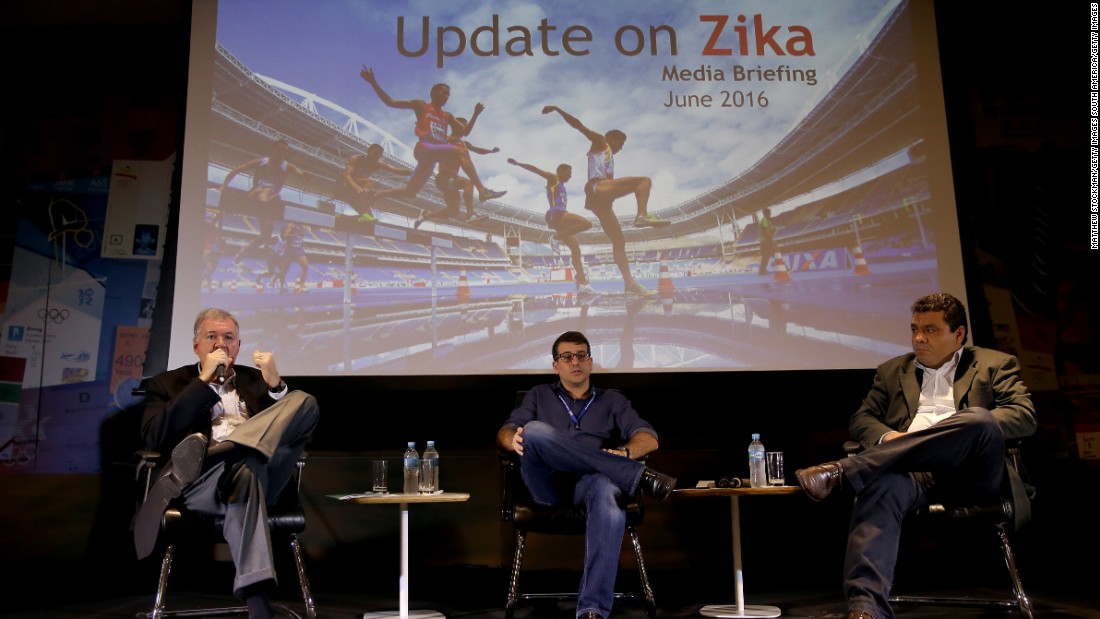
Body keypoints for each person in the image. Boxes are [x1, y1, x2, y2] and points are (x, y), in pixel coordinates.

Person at [792, 292, 1036, 619]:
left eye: (931, 330)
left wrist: (958, 428)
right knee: (881, 487)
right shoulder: (893, 371)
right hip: (914, 474)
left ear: (959, 334)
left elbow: (1023, 416)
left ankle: (844, 471)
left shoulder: (994, 364)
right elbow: (862, 419)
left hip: (973, 473)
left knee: (978, 419)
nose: (919, 338)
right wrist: (889, 437)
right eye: (915, 329)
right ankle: (866, 610)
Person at [134, 308, 320, 619]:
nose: (221, 344)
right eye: (212, 337)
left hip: (265, 477)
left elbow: (293, 436)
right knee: (248, 469)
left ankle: (225, 449)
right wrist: (204, 380)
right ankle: (258, 605)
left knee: (303, 401)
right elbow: (153, 438)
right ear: (197, 346)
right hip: (201, 483)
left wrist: (276, 389)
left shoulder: (256, 381)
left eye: (229, 338)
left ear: (238, 345)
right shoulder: (167, 383)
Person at [497, 331, 677, 619]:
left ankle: (592, 609)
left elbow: (649, 437)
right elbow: (508, 430)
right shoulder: (539, 395)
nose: (575, 362)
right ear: (556, 365)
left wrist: (629, 452)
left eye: (581, 355)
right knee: (533, 431)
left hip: (591, 485)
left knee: (607, 492)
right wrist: (510, 440)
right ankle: (638, 476)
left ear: (591, 362)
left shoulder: (612, 401)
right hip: (548, 483)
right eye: (566, 357)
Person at [541, 105, 668, 295]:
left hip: (602, 201)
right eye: (621, 143)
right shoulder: (601, 142)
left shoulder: (607, 153)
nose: (621, 148)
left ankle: (629, 284)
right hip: (596, 188)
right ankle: (642, 215)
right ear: (612, 138)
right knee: (644, 182)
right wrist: (558, 110)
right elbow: (579, 126)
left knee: (618, 240)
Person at [358, 67, 506, 209]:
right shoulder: (421, 106)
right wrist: (373, 82)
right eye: (444, 93)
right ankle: (482, 190)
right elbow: (390, 102)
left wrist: (475, 114)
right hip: (424, 148)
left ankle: (377, 194)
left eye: (449, 94)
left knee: (410, 192)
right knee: (461, 152)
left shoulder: (447, 116)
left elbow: (465, 132)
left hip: (434, 157)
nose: (447, 96)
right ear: (433, 93)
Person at [507, 156, 596, 294]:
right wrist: (518, 163)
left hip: (561, 220)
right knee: (587, 223)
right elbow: (535, 170)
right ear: (561, 171)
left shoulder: (562, 186)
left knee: (576, 250)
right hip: (556, 215)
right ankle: (556, 237)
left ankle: (582, 282)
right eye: (569, 173)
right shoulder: (553, 179)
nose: (571, 176)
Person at [219, 138, 307, 264]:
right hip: (254, 195)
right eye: (280, 150)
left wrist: (303, 174)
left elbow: (299, 171)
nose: (282, 153)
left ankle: (244, 250)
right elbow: (238, 169)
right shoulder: (261, 162)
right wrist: (224, 185)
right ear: (272, 150)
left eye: (285, 152)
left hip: (268, 203)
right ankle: (270, 198)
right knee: (266, 191)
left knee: (265, 236)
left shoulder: (286, 166)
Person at [415, 110, 499, 229]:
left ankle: (425, 215)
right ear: (454, 126)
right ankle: (471, 214)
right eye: (461, 126)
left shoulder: (464, 144)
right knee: (468, 183)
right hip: (443, 178)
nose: (463, 129)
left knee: (453, 211)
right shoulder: (444, 138)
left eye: (465, 126)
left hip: (452, 180)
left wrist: (490, 151)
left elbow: (478, 150)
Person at [341, 143, 410, 222]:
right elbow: (346, 176)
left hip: (358, 188)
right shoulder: (356, 159)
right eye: (375, 154)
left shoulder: (377, 163)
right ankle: (363, 208)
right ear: (369, 152)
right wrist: (357, 187)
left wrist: (417, 172)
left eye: (379, 155)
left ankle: (346, 217)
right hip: (345, 184)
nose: (377, 157)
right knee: (368, 182)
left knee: (369, 218)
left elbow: (398, 171)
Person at [757, 207, 777, 276]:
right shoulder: (764, 220)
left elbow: (771, 230)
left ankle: (762, 272)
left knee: (770, 256)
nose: (770, 215)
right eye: (769, 213)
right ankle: (762, 272)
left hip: (766, 241)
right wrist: (772, 240)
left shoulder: (767, 221)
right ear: (766, 214)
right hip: (766, 242)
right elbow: (766, 231)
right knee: (766, 257)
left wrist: (773, 230)